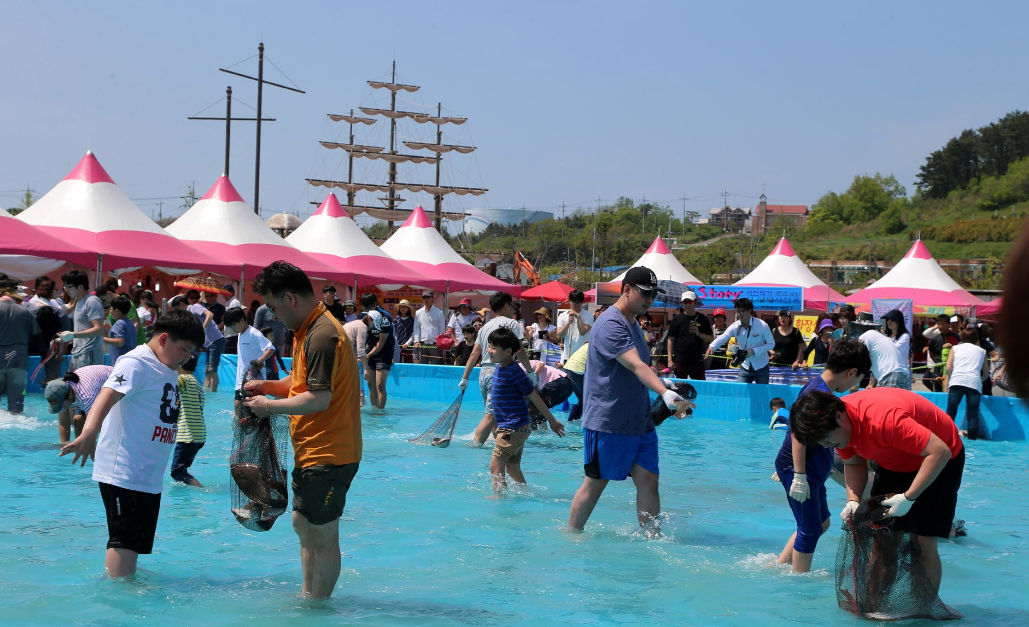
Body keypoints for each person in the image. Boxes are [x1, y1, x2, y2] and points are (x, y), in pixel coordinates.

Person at [242, 261, 362, 599]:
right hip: (313, 451)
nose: (272, 314)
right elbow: (300, 384)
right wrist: (267, 386)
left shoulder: (322, 334)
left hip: (330, 452)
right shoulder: (308, 329)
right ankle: (310, 596)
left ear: (290, 298)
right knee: (302, 524)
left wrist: (268, 407)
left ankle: (317, 607)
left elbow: (318, 399)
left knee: (321, 533)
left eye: (272, 306)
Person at [59, 309, 205, 578]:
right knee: (124, 539)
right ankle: (117, 601)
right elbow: (107, 395)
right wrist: (89, 432)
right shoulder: (136, 362)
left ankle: (127, 584)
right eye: (184, 349)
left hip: (146, 473)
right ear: (164, 339)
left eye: (191, 353)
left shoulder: (165, 367)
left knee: (135, 541)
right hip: (123, 471)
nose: (187, 357)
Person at [790, 387, 965, 594]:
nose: (828, 445)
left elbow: (939, 451)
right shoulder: (836, 430)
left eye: (828, 440)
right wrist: (852, 501)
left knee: (923, 542)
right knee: (881, 539)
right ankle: (875, 604)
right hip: (893, 461)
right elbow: (854, 463)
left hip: (940, 460)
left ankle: (924, 610)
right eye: (823, 443)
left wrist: (909, 498)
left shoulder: (884, 419)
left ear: (840, 416)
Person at [567, 267, 691, 534]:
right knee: (596, 483)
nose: (650, 300)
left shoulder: (634, 321)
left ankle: (652, 539)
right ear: (626, 290)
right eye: (645, 294)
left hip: (639, 419)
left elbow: (643, 366)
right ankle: (572, 535)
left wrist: (664, 383)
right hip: (608, 421)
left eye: (653, 295)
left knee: (649, 480)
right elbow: (635, 365)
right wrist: (664, 393)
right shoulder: (611, 323)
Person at [774, 339, 871, 573]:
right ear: (851, 372)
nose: (854, 386)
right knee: (809, 529)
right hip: (802, 471)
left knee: (821, 523)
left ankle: (779, 566)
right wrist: (798, 475)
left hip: (812, 471)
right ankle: (800, 581)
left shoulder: (821, 388)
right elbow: (797, 433)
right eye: (857, 380)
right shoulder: (818, 392)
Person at [485, 327, 565, 491]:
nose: (489, 350)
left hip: (513, 427)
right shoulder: (502, 367)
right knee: (511, 467)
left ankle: (498, 499)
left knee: (495, 465)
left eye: (493, 347)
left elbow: (534, 396)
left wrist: (552, 421)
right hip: (514, 427)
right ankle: (524, 494)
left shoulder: (514, 372)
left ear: (508, 351)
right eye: (489, 346)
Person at [459, 292, 535, 446]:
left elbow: (475, 353)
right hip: (500, 372)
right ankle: (475, 445)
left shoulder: (485, 327)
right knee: (490, 416)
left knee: (495, 415)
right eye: (512, 306)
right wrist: (531, 372)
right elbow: (519, 350)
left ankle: (498, 446)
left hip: (484, 372)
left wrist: (465, 378)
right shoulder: (512, 324)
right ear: (507, 306)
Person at [704, 298, 776, 384]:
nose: (739, 314)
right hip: (745, 366)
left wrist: (754, 351)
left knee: (762, 394)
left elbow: (771, 344)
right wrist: (712, 346)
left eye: (742, 311)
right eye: (737, 311)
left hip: (761, 366)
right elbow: (724, 336)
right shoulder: (735, 326)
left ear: (750, 311)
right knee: (742, 393)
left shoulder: (762, 325)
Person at [0, 280, 42, 414]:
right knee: (17, 408)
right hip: (19, 361)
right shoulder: (25, 311)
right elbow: (37, 338)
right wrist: (47, 355)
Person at [45, 365, 113, 444]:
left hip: (113, 382)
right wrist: (65, 444)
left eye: (61, 405)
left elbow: (99, 425)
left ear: (70, 395)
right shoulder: (62, 392)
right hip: (89, 384)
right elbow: (63, 422)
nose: (61, 407)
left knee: (98, 430)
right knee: (78, 421)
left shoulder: (87, 396)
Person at [225, 307, 275, 412]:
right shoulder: (240, 334)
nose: (232, 328)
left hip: (254, 381)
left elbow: (270, 348)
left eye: (233, 325)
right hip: (241, 382)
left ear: (242, 320)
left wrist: (260, 361)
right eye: (230, 326)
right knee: (238, 409)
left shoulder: (253, 333)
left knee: (254, 412)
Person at [944, 326, 989, 440]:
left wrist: (952, 378)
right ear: (976, 338)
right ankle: (972, 441)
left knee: (950, 412)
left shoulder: (955, 348)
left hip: (956, 381)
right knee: (972, 415)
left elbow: (948, 368)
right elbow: (986, 373)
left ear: (962, 337)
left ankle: (945, 437)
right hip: (974, 383)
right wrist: (979, 381)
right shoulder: (982, 351)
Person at [59, 270, 105, 371]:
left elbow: (99, 329)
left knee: (89, 386)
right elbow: (83, 328)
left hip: (89, 353)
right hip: (79, 353)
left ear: (80, 287)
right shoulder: (79, 301)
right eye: (65, 287)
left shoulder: (91, 301)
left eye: (69, 287)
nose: (66, 290)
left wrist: (73, 335)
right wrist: (67, 338)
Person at [170, 354, 205, 487]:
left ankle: (202, 489)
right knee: (182, 470)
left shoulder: (182, 379)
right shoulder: (196, 382)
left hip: (187, 435)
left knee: (177, 472)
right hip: (199, 435)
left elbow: (167, 388)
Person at [666, 290, 714, 380]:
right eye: (685, 302)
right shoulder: (676, 319)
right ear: (682, 303)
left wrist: (699, 334)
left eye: (690, 302)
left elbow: (711, 338)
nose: (687, 304)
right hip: (680, 360)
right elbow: (670, 339)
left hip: (697, 360)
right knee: (680, 387)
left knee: (700, 387)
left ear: (695, 302)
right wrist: (669, 359)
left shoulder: (703, 318)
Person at [360, 292, 394, 410]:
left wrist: (367, 355)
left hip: (384, 353)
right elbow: (362, 337)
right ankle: (374, 409)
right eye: (364, 307)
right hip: (370, 352)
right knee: (370, 384)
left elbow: (381, 343)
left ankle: (380, 411)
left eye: (369, 307)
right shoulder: (363, 316)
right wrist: (363, 353)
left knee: (380, 384)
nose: (367, 310)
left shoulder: (385, 317)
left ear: (375, 304)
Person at [188, 291, 225, 392]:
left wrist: (203, 328)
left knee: (212, 370)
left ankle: (213, 395)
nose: (194, 299)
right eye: (192, 297)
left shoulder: (196, 306)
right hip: (210, 342)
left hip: (216, 340)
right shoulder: (190, 309)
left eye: (196, 297)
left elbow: (210, 315)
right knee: (207, 371)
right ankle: (206, 392)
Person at [555, 290, 593, 365]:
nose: (577, 305)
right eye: (574, 302)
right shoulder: (563, 315)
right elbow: (559, 335)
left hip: (582, 357)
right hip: (567, 356)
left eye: (579, 302)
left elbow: (583, 331)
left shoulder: (589, 315)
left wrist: (578, 316)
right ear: (569, 301)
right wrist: (568, 322)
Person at [409, 290, 447, 364]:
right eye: (424, 297)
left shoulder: (439, 312)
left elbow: (442, 330)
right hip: (422, 343)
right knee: (423, 365)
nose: (426, 299)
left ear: (432, 298)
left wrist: (441, 344)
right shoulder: (418, 312)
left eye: (428, 297)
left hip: (435, 344)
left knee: (435, 366)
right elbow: (416, 328)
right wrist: (416, 341)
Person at [923, 315, 958, 393]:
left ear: (949, 324)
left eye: (943, 324)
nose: (940, 326)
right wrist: (938, 362)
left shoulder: (957, 337)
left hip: (953, 367)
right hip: (938, 366)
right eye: (938, 324)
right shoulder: (934, 339)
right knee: (937, 385)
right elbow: (932, 354)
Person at [103, 296, 137, 366]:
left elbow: (120, 342)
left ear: (117, 311)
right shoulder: (129, 323)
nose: (110, 312)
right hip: (129, 361)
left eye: (111, 309)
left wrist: (101, 339)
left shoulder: (119, 324)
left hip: (120, 363)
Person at [561, 341, 588, 422]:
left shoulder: (587, 345)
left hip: (567, 369)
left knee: (582, 399)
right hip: (577, 371)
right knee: (588, 399)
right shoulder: (598, 346)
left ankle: (572, 421)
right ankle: (589, 425)